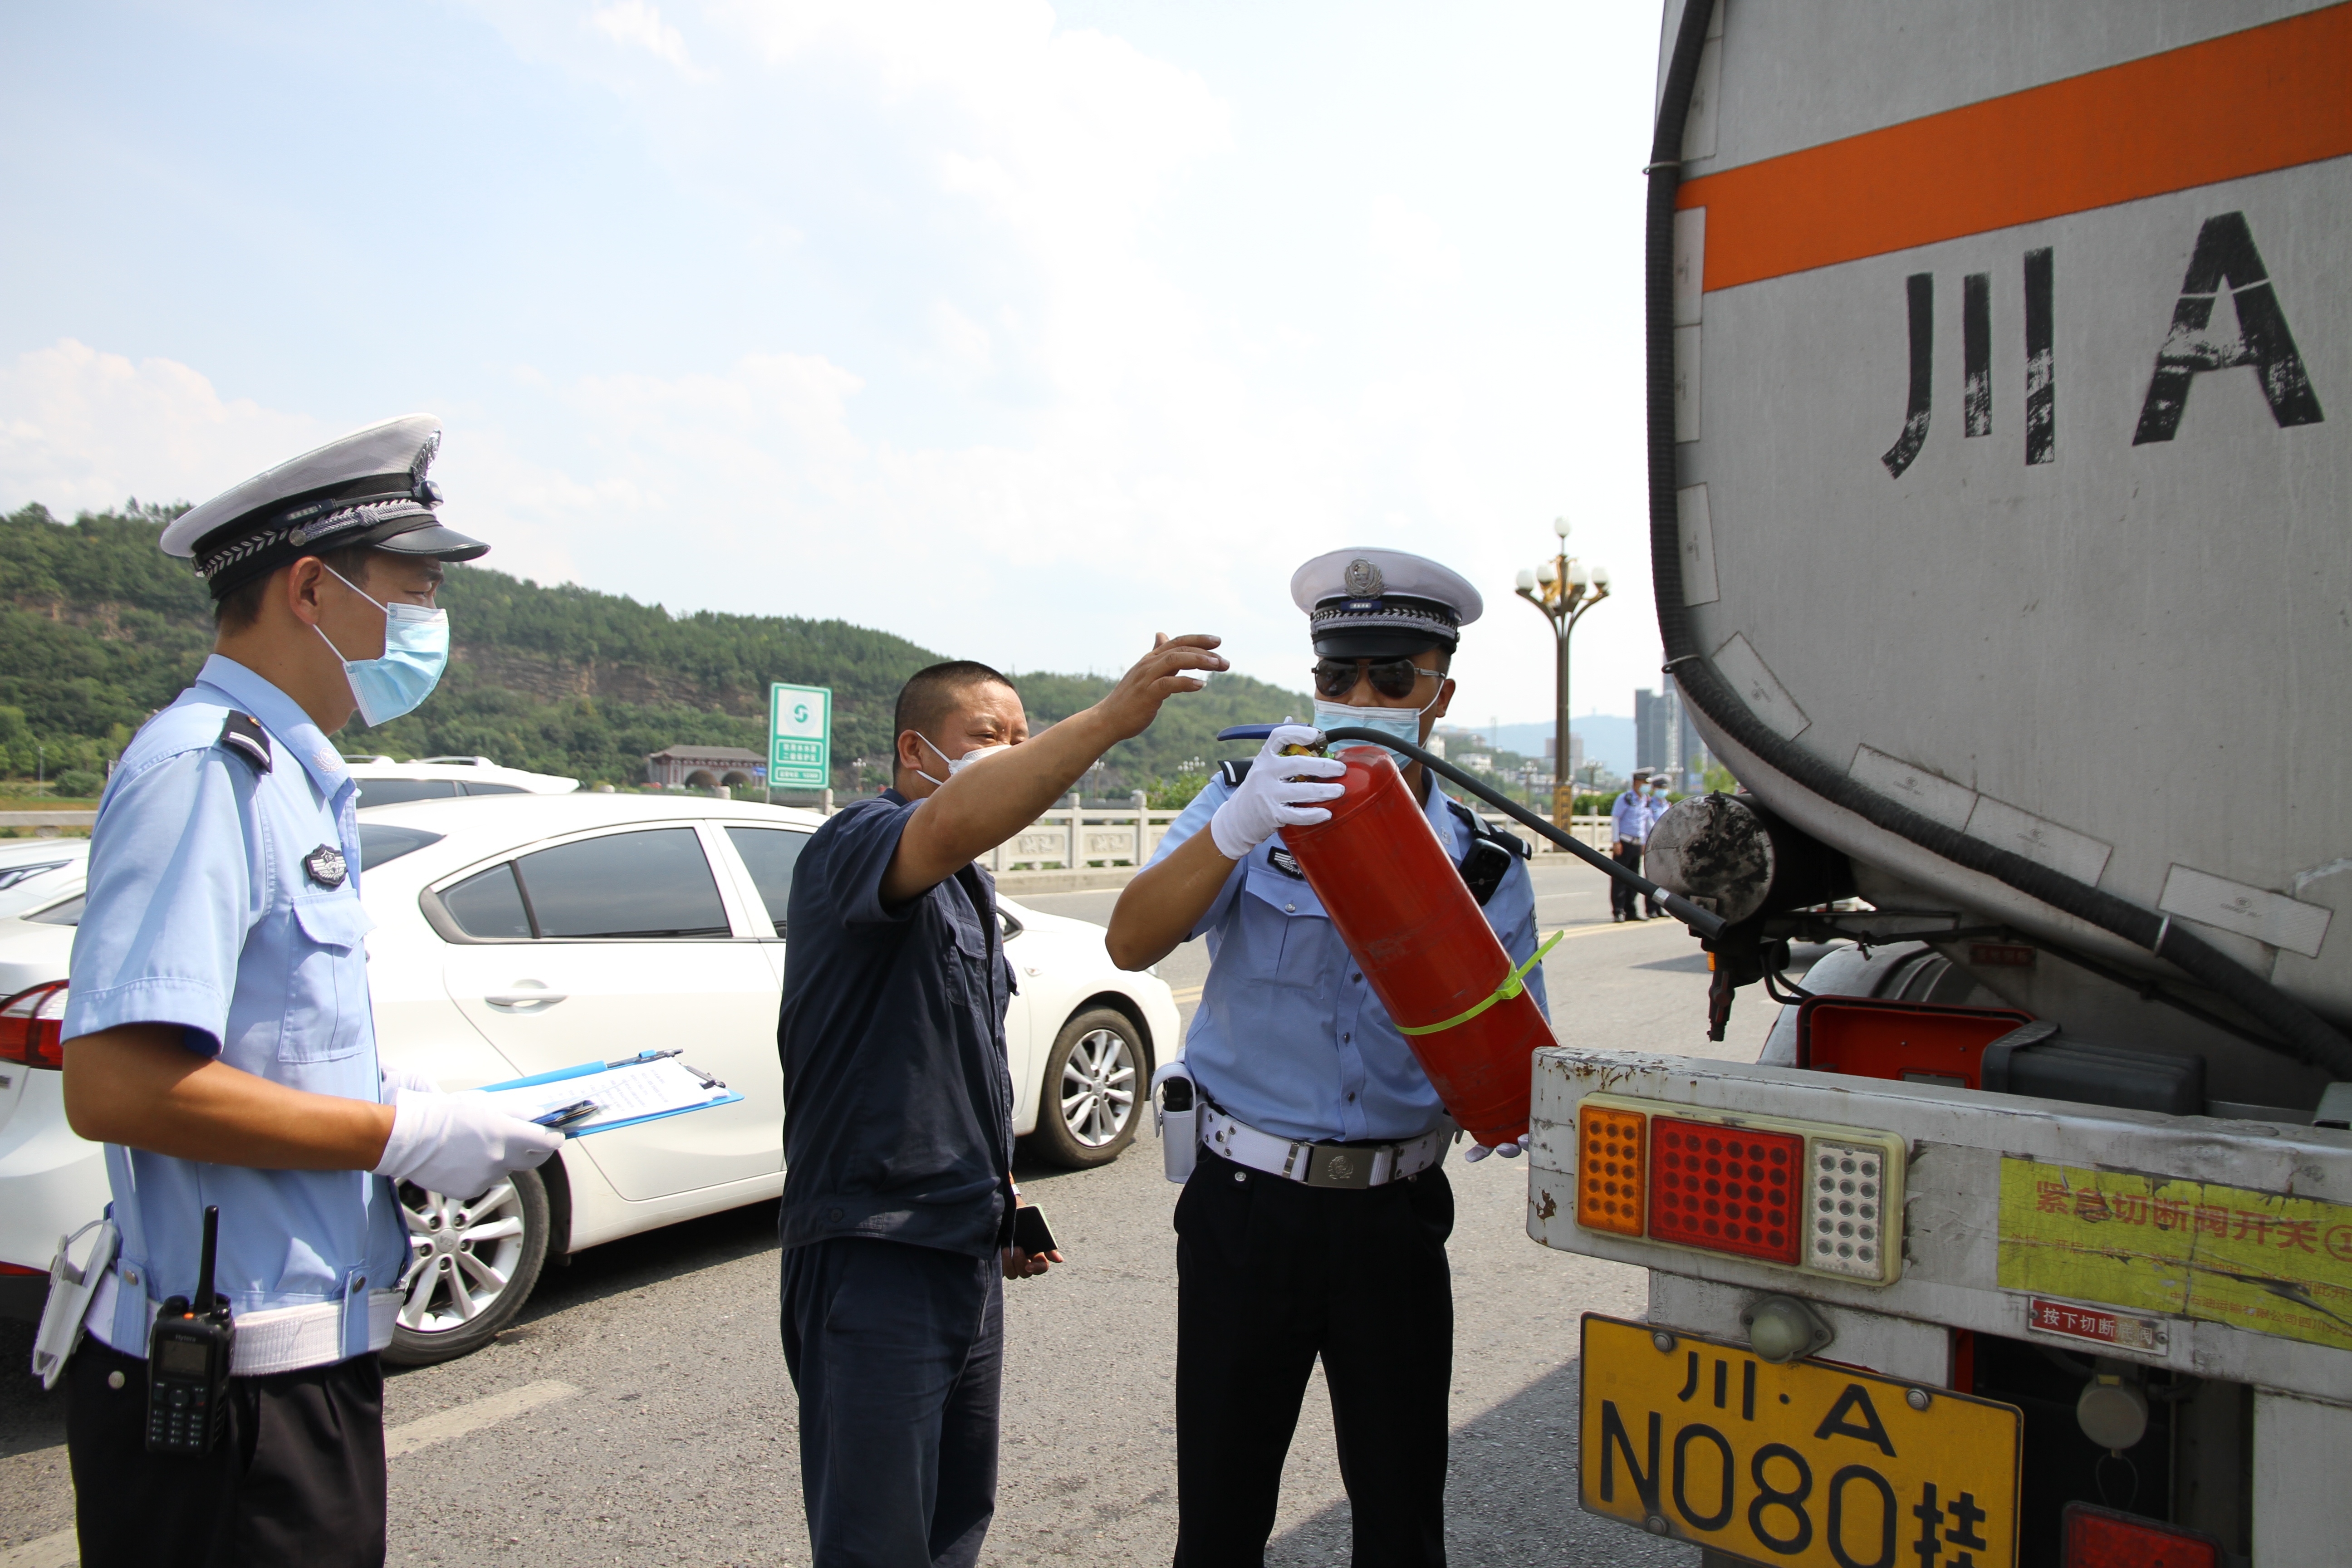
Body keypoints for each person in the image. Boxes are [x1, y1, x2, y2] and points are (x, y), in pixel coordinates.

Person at [53, 416, 563, 1568]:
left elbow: (254, 1043)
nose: (432, 623)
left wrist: (379, 1092)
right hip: (223, 1394)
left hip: (296, 1364)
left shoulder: (286, 775)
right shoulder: (206, 770)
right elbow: (119, 1083)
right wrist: (397, 1132)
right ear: (309, 590)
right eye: (414, 590)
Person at [1104, 548, 1547, 1568]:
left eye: (1393, 681)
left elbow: (1516, 1047)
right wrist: (1238, 826)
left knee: (1401, 1519)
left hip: (1393, 1220)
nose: (1361, 699)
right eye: (1338, 676)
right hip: (1247, 1209)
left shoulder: (1484, 862)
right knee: (1220, 1515)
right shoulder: (1245, 804)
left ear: (1439, 693)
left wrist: (1512, 1106)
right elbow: (1130, 941)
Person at [776, 637, 1224, 1568]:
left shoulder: (971, 891)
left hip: (962, 1247)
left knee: (951, 1522)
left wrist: (1003, 1201)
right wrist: (1103, 722)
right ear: (914, 752)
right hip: (875, 1251)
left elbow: (959, 1063)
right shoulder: (858, 844)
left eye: (1024, 736)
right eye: (991, 736)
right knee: (877, 1539)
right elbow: (945, 828)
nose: (1015, 752)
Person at [1610, 768, 1663, 921]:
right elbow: (1616, 819)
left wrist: (1648, 841)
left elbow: (1647, 823)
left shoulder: (1645, 801)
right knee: (1620, 879)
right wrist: (1616, 841)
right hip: (1624, 842)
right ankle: (1618, 911)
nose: (1646, 786)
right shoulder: (1625, 799)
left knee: (1634, 880)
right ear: (1637, 782)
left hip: (1637, 844)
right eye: (1644, 782)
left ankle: (1631, 911)